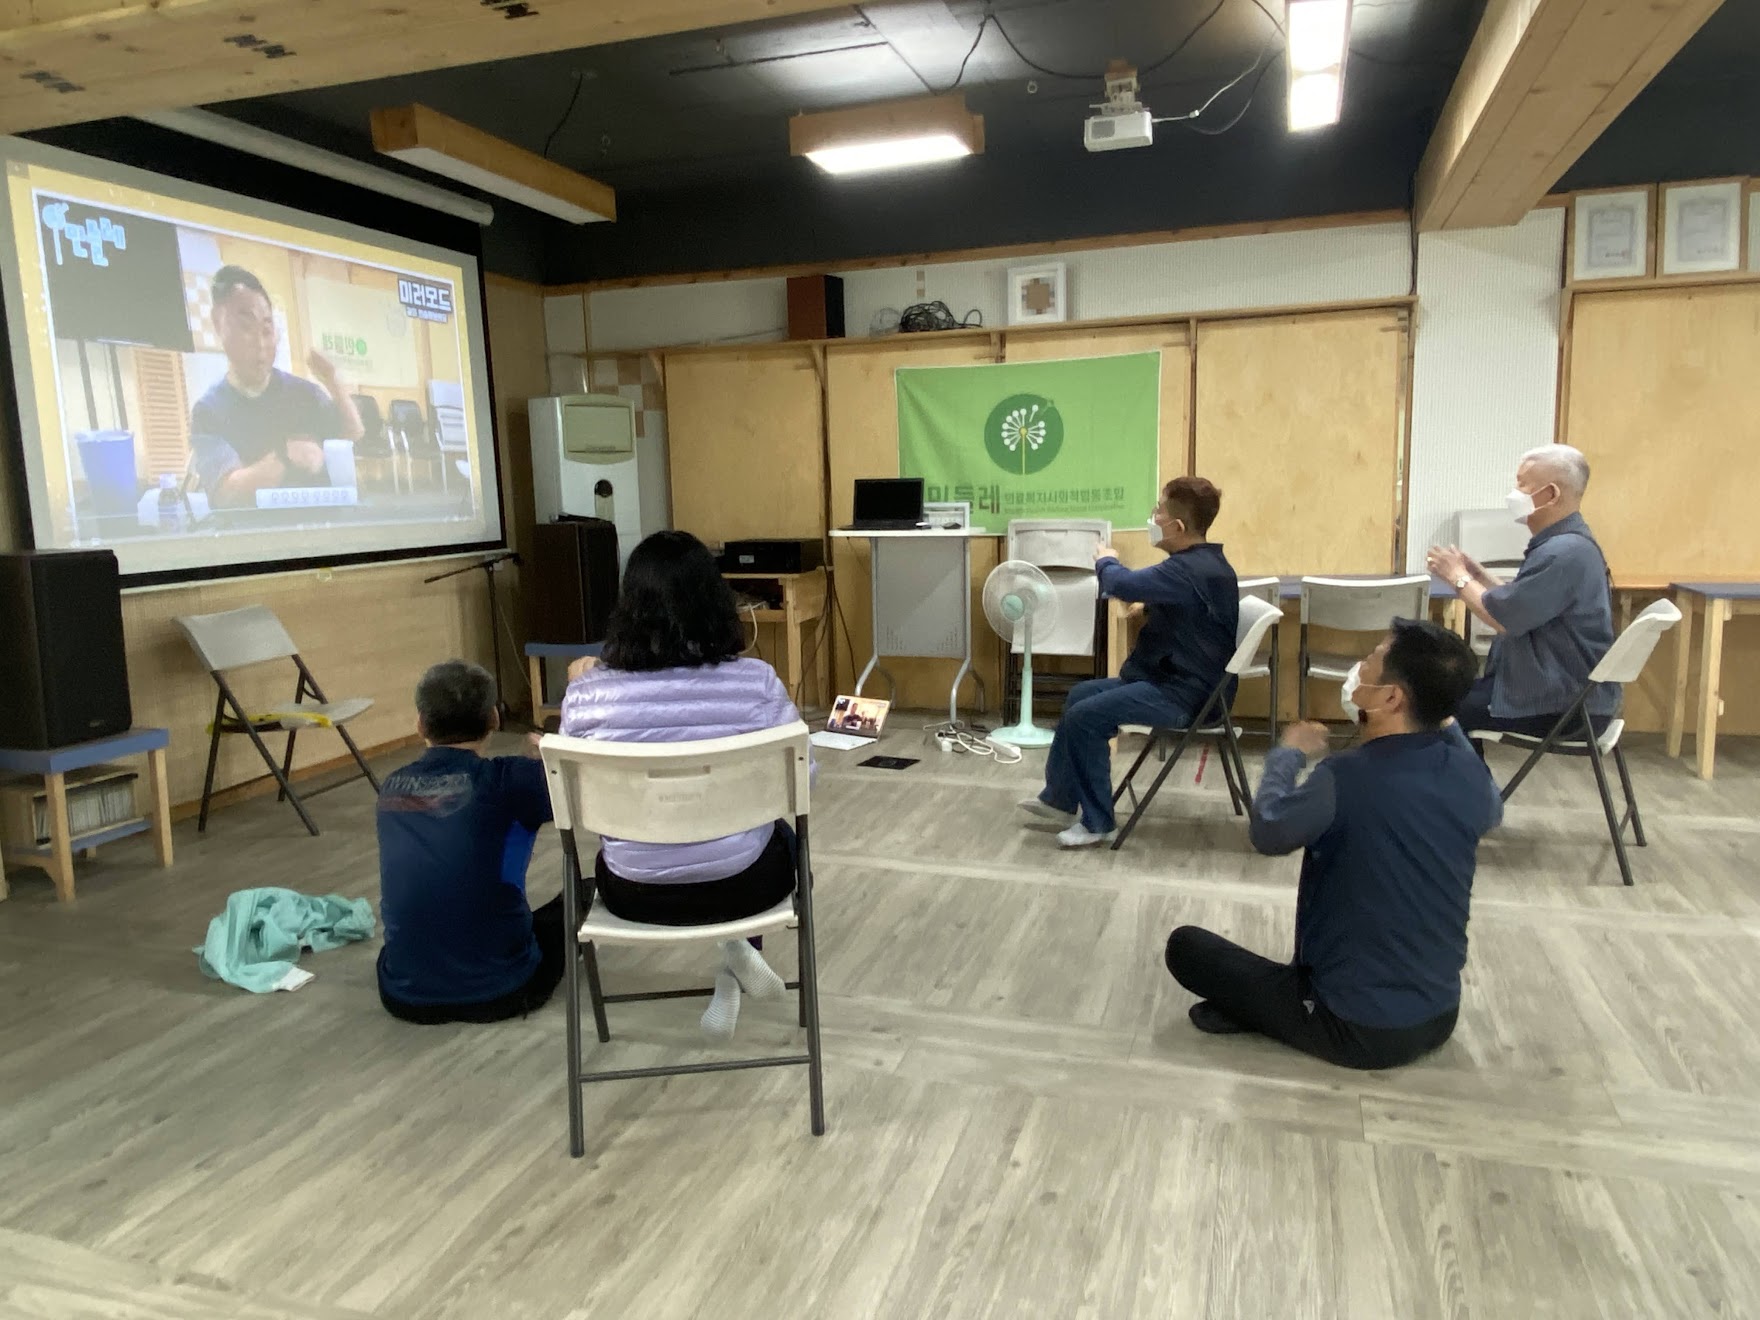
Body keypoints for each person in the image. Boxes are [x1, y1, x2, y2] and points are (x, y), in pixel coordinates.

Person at [1165, 619, 1502, 1070]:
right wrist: (1442, 713)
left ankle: (1275, 1014)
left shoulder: (1343, 777)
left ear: (1391, 698)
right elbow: (1491, 811)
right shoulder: (1470, 772)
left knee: (1185, 948)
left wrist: (1289, 753)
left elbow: (1268, 831)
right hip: (1441, 1014)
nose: (1359, 668)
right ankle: (1266, 1008)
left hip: (1355, 1028)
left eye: (1371, 662)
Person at [560, 530, 803, 1040]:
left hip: (633, 892)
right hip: (745, 889)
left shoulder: (587, 695)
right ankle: (737, 955)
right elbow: (802, 780)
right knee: (776, 835)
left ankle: (733, 963)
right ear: (715, 600)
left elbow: (569, 800)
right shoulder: (756, 683)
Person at [1019, 476, 1238, 848]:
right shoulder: (1203, 565)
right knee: (1080, 696)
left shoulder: (1188, 570)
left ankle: (1098, 823)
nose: (1153, 517)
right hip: (1170, 680)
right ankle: (1059, 799)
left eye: (1158, 511)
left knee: (1086, 717)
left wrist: (1106, 559)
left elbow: (1123, 584)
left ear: (1177, 526)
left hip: (1186, 696)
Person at [376, 660, 566, 1025]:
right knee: (580, 898)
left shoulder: (391, 786)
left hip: (403, 996)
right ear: (494, 718)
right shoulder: (511, 780)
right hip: (501, 992)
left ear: (420, 724)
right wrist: (550, 756)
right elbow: (582, 784)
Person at [1427, 444, 1616, 737]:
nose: (1514, 493)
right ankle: (1469, 769)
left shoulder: (1564, 552)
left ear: (1551, 494)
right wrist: (1479, 576)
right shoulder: (1567, 544)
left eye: (1522, 484)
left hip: (1560, 704)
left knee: (1430, 709)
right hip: (1562, 692)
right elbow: (1519, 603)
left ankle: (1465, 770)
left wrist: (1457, 577)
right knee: (1442, 697)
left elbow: (1504, 618)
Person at [190, 265, 365, 508]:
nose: (260, 343)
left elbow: (351, 433)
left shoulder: (305, 393)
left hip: (322, 526)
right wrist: (287, 457)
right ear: (218, 325)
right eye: (246, 327)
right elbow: (226, 492)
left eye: (266, 330)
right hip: (257, 531)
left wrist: (332, 381)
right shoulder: (209, 411)